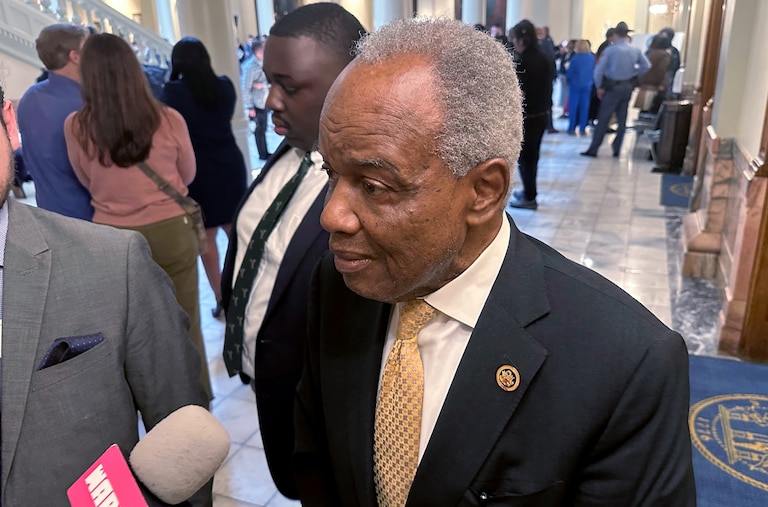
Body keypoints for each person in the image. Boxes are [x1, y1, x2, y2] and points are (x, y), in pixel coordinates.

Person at [294, 17, 696, 506]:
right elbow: (320, 469)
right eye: (331, 173)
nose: (332, 215)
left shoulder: (628, 363)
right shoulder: (339, 283)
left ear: (484, 191)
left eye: (374, 186)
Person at [0, 84, 209, 506]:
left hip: (124, 230)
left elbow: (183, 437)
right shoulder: (159, 117)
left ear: (8, 121)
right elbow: (187, 171)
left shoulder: (113, 264)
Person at [219, 2, 365, 499]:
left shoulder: (368, 190)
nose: (270, 101)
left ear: (349, 80)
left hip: (319, 402)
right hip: (270, 379)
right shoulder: (291, 147)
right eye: (268, 82)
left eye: (291, 86)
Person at [62, 33, 211, 401]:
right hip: (170, 228)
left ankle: (144, 408)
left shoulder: (76, 126)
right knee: (185, 319)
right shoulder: (169, 119)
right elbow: (187, 175)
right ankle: (195, 402)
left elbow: (84, 180)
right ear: (133, 69)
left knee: (129, 331)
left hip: (112, 239)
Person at [160, 37, 248, 319]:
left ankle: (222, 299)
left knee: (206, 238)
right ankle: (247, 291)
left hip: (199, 170)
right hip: (229, 163)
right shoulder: (224, 86)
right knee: (237, 232)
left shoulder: (172, 92)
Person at [16, 23, 93, 220]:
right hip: (88, 215)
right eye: (89, 48)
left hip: (49, 212)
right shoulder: (86, 102)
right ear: (74, 56)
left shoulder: (29, 97)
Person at [581, 21, 649, 158]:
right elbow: (646, 66)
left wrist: (599, 86)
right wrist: (635, 75)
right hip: (627, 87)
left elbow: (598, 71)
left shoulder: (610, 51)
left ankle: (594, 149)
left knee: (604, 118)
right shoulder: (635, 50)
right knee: (622, 120)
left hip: (612, 88)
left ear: (616, 35)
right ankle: (617, 149)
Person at [508, 19, 554, 210]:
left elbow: (520, 92)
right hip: (543, 113)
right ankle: (529, 192)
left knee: (526, 159)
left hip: (528, 116)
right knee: (532, 157)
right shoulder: (544, 56)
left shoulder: (524, 60)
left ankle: (529, 196)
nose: (514, 44)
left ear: (522, 40)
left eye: (515, 40)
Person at [241, 38, 271, 160]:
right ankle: (262, 154)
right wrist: (250, 107)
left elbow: (269, 81)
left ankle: (265, 151)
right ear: (258, 53)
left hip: (265, 100)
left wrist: (262, 85)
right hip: (257, 103)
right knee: (259, 129)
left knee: (263, 128)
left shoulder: (266, 63)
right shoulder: (251, 68)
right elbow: (246, 88)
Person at [636, 34, 672, 114]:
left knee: (643, 110)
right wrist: (662, 83)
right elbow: (662, 70)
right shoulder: (664, 55)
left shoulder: (650, 53)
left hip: (645, 83)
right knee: (653, 110)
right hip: (655, 85)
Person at [566, 39, 595, 135]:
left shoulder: (575, 58)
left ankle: (572, 128)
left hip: (575, 85)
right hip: (587, 85)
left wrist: (567, 78)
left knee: (573, 107)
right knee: (584, 107)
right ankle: (583, 127)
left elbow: (570, 73)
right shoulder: (591, 58)